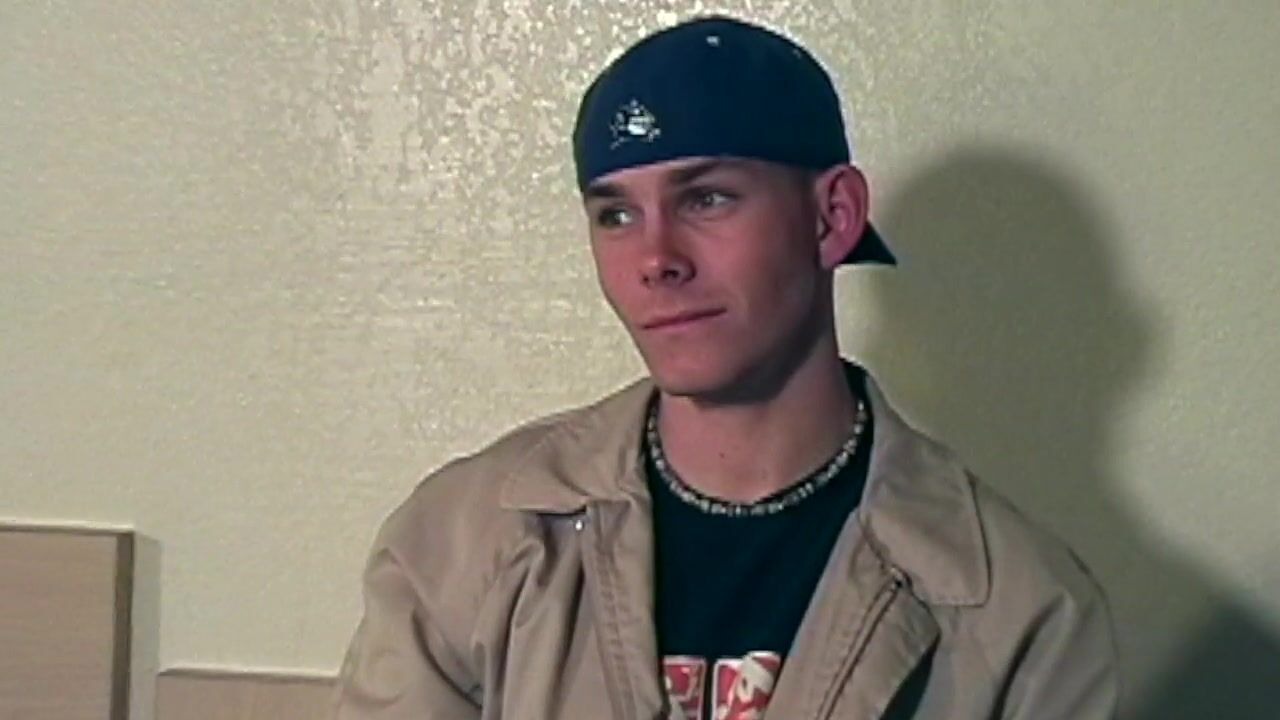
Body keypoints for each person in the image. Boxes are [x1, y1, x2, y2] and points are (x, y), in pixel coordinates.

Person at [333, 14, 1118, 720]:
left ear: (833, 217)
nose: (655, 258)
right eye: (616, 214)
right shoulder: (463, 544)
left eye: (706, 199)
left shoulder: (1020, 610)